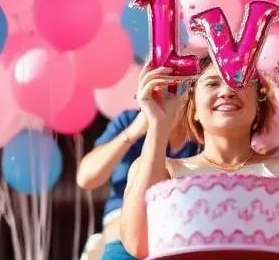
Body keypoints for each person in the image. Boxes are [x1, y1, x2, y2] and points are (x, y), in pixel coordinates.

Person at [120, 53, 279, 259]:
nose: (227, 91)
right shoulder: (165, 170)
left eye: (239, 82)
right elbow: (138, 243)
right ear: (193, 108)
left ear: (259, 105)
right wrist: (158, 125)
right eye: (211, 83)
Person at [76, 107, 198, 260]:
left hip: (180, 236)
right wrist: (132, 132)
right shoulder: (130, 120)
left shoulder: (205, 126)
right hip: (121, 240)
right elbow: (86, 178)